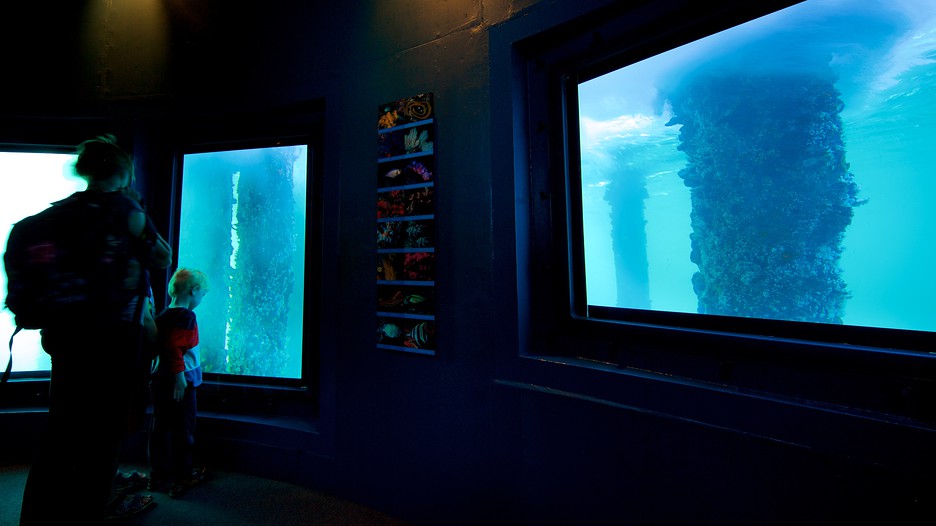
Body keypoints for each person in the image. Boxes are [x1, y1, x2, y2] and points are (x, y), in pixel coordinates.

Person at [18, 135, 171, 524]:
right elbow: (162, 256)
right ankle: (90, 511)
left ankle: (35, 517)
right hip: (114, 346)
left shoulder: (54, 216)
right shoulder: (125, 210)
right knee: (103, 440)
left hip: (66, 342)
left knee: (60, 433)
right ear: (122, 171)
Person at [148, 268, 209, 498]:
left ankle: (159, 474)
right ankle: (184, 474)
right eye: (202, 294)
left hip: (159, 381)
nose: (202, 299)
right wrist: (180, 378)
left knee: (160, 428)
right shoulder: (186, 317)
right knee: (184, 428)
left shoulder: (163, 315)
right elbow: (174, 347)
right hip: (181, 383)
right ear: (193, 291)